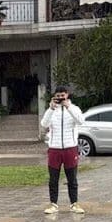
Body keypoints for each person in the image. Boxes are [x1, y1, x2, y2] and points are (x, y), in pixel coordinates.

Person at [41, 86, 86, 215]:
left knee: (72, 178)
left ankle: (74, 203)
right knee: (53, 179)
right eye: (58, 96)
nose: (60, 98)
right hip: (54, 149)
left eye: (63, 95)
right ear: (54, 96)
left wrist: (68, 107)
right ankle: (53, 204)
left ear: (67, 95)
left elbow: (80, 121)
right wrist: (51, 109)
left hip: (70, 148)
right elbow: (44, 124)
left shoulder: (74, 109)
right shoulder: (51, 110)